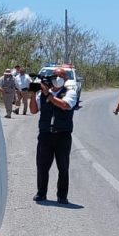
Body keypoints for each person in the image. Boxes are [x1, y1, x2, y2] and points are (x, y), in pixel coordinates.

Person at [29, 67, 78, 204]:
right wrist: (33, 95)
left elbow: (65, 105)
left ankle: (62, 196)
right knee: (42, 166)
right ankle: (41, 193)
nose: (57, 78)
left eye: (60, 76)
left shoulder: (70, 93)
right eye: (55, 76)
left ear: (65, 79)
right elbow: (33, 110)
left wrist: (49, 95)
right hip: (45, 135)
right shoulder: (42, 94)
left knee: (63, 167)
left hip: (62, 135)